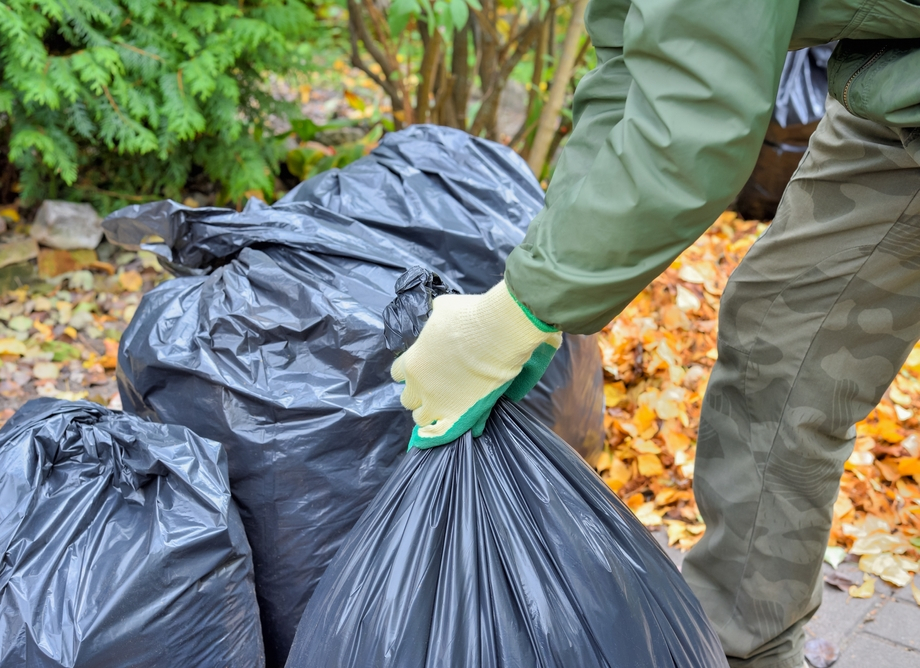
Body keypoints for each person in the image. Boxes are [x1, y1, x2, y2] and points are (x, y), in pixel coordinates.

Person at [390, 1, 920, 666]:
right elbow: (629, 69)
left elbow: (693, 126)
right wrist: (538, 296)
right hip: (896, 84)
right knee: (779, 333)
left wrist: (513, 314)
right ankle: (738, 647)